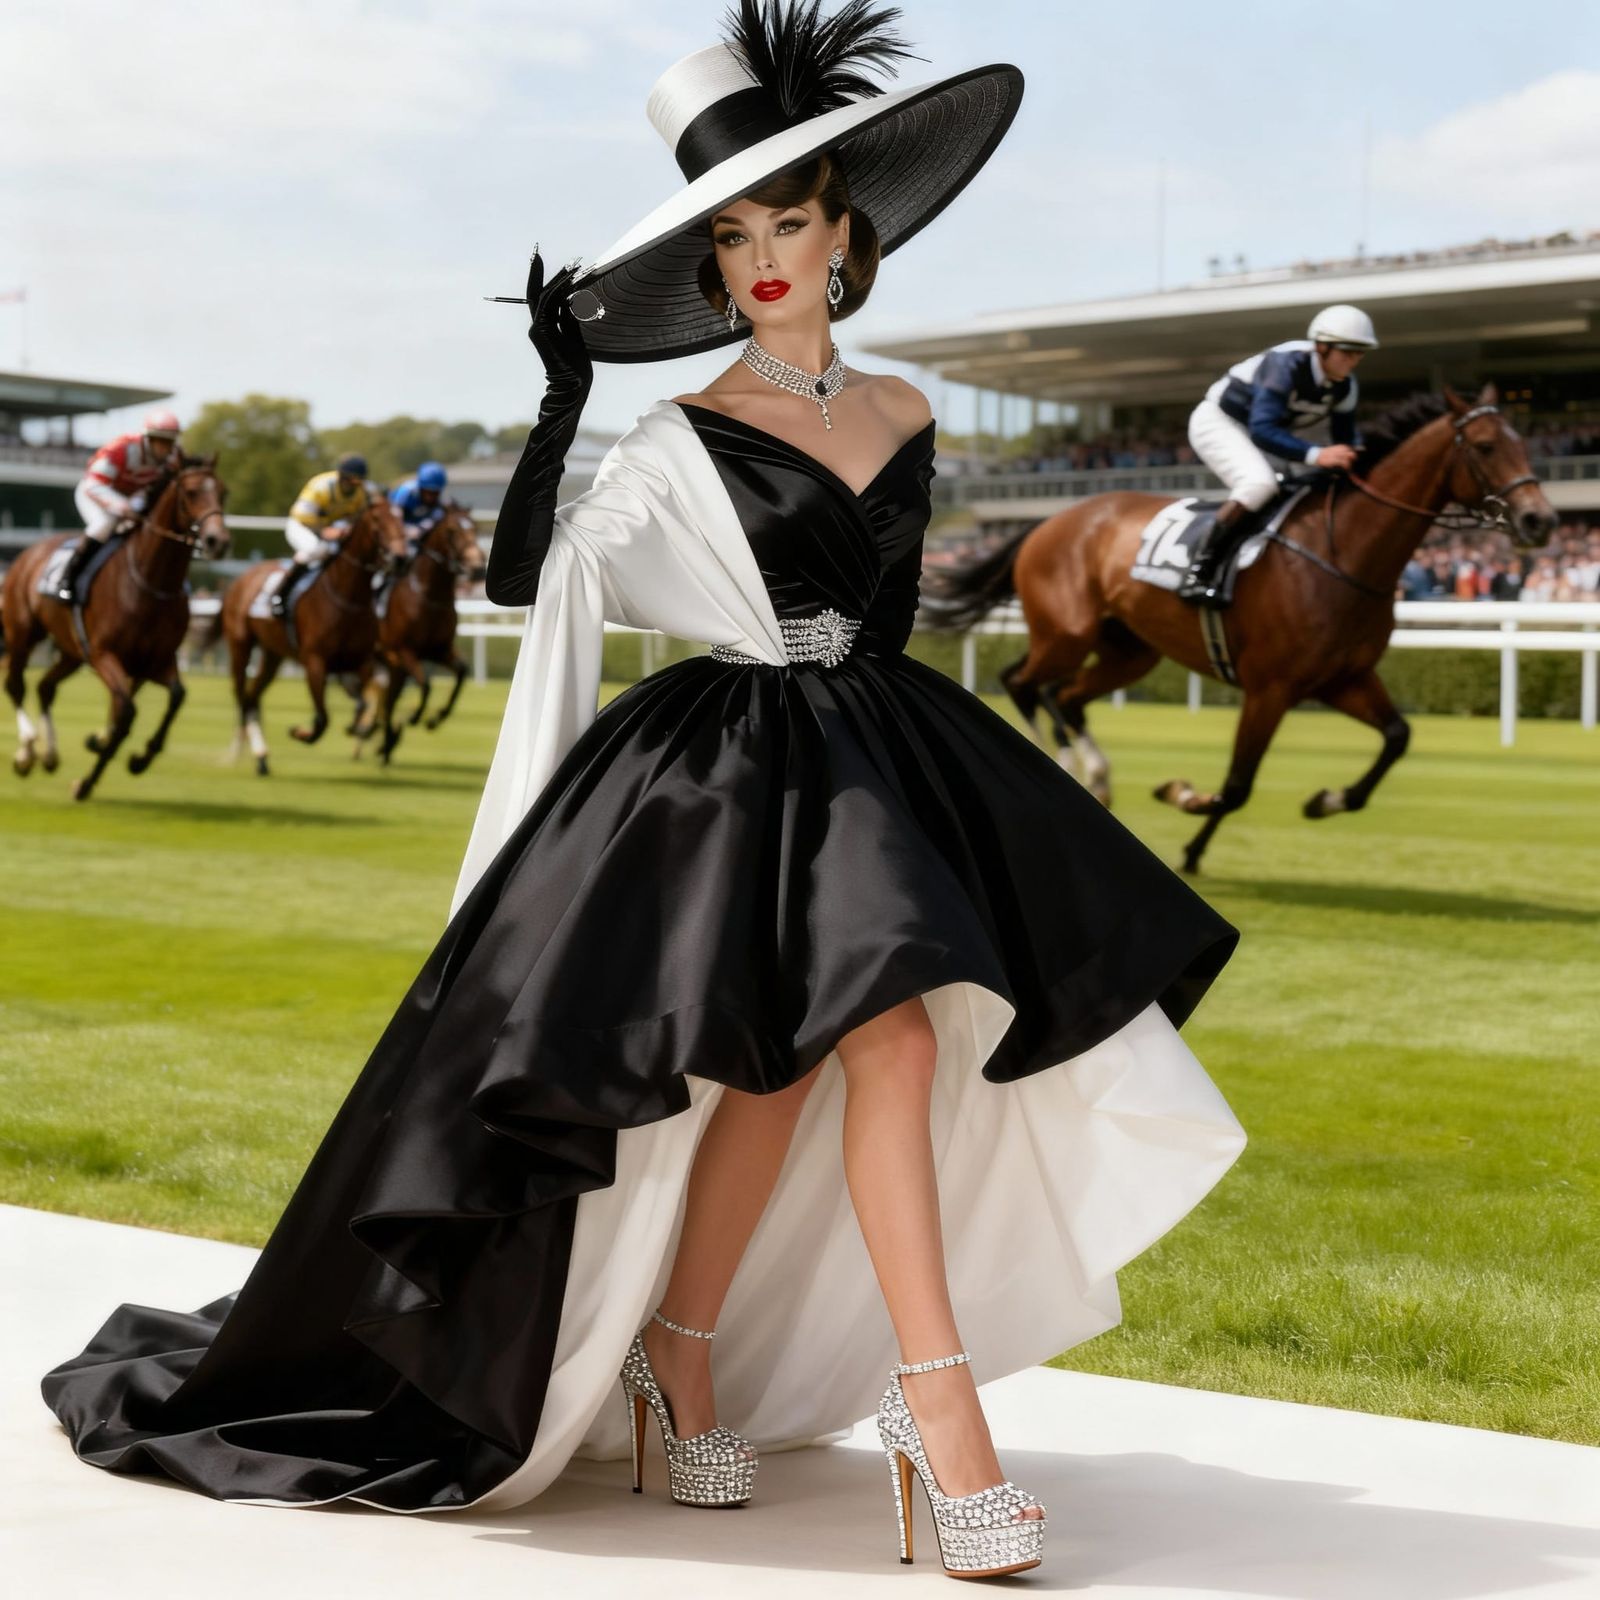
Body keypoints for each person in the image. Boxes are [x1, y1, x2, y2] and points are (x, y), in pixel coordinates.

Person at [41, 2, 1246, 1581]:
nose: (761, 256)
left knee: (793, 1068)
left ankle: (683, 1348)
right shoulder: (680, 434)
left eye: (788, 219)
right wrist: (556, 408)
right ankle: (938, 1414)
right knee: (867, 1035)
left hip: (873, 756)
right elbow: (545, 577)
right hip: (724, 772)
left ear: (846, 236)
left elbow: (875, 610)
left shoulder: (908, 409)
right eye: (732, 232)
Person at [1178, 305, 1379, 607]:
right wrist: (1316, 455)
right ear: (1321, 347)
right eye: (1346, 352)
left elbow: (1345, 440)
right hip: (1221, 421)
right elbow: (1262, 429)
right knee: (1259, 484)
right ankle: (1200, 571)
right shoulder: (1286, 365)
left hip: (1267, 433)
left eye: (1360, 353)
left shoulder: (1345, 387)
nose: (1353, 361)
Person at [56, 408, 181, 602]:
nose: (165, 448)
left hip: (131, 501)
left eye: (170, 442)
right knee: (103, 526)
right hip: (96, 495)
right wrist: (123, 507)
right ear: (148, 439)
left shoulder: (172, 460)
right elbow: (94, 484)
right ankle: (67, 580)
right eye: (161, 441)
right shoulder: (121, 449)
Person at [274, 452, 370, 618]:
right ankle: (280, 594)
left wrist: (345, 529)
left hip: (331, 530)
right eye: (351, 481)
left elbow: (356, 518)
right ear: (342, 476)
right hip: (302, 526)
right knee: (313, 550)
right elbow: (302, 515)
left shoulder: (360, 493)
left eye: (358, 482)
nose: (354, 486)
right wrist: (324, 531)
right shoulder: (321, 486)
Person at [389, 460, 450, 564]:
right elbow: (394, 515)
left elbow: (432, 521)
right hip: (396, 528)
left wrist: (419, 530)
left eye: (435, 493)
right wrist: (405, 531)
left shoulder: (440, 503)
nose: (431, 496)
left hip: (416, 532)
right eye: (428, 492)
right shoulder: (406, 491)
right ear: (421, 487)